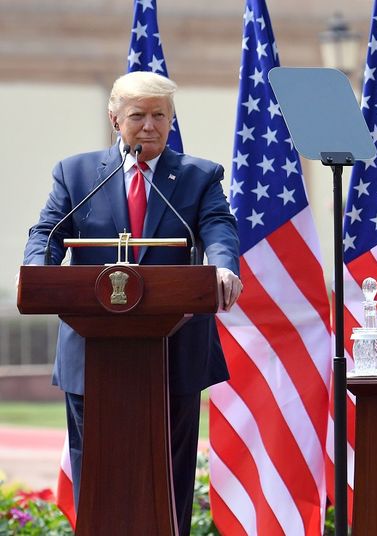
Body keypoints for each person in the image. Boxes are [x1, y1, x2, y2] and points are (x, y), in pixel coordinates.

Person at [22, 71, 243, 535]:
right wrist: (38, 268)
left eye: (159, 116)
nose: (149, 126)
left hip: (175, 351)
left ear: (171, 119)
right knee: (97, 463)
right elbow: (47, 232)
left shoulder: (200, 176)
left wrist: (223, 266)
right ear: (114, 120)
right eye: (138, 116)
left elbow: (219, 227)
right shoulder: (76, 173)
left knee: (172, 468)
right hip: (92, 347)